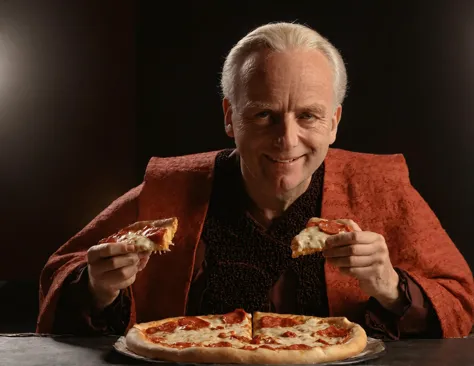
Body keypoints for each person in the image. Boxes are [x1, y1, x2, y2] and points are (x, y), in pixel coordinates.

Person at [37, 22, 474, 340]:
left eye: (308, 115)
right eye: (264, 114)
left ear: (335, 122)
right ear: (230, 117)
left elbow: (459, 304)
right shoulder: (167, 191)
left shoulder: (383, 187)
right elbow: (62, 274)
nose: (287, 139)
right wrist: (98, 287)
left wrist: (391, 287)